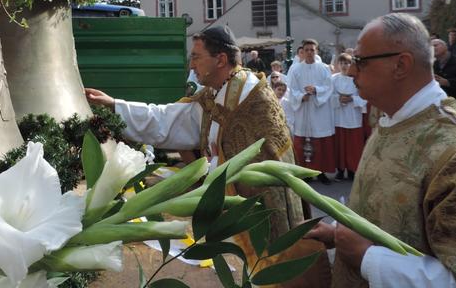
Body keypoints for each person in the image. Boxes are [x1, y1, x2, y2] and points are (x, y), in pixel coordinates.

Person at [85, 25, 330, 286]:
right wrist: (115, 105)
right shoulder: (216, 93)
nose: (191, 63)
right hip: (228, 205)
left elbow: (265, 161)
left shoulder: (253, 99)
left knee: (270, 270)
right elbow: (168, 119)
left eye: (196, 56)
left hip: (259, 209)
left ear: (221, 60)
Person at [306, 13, 456, 288]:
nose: (350, 72)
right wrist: (338, 235)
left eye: (360, 62)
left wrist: (367, 257)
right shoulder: (389, 116)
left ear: (401, 65)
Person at [287, 39, 335, 185]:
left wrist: (316, 90)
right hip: (303, 109)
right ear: (303, 51)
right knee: (303, 143)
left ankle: (321, 173)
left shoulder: (324, 69)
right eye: (306, 50)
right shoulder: (295, 69)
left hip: (319, 111)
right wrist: (302, 96)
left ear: (316, 51)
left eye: (312, 50)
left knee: (320, 142)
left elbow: (329, 87)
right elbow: (291, 90)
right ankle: (305, 173)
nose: (309, 52)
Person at [331, 53, 366, 181]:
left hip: (353, 116)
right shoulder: (333, 79)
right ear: (338, 65)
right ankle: (340, 170)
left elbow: (364, 96)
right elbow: (329, 96)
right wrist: (338, 99)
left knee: (353, 146)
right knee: (340, 146)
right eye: (342, 63)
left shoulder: (357, 78)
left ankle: (352, 170)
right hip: (339, 117)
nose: (344, 66)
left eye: (347, 63)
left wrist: (352, 99)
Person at [432, 38, 456, 111]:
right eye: (430, 46)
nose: (433, 48)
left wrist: (448, 82)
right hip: (440, 106)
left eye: (435, 45)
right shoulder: (432, 65)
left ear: (446, 46)